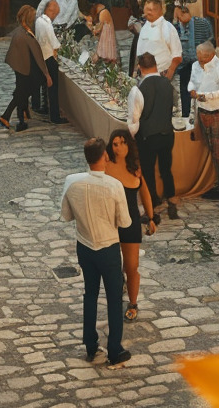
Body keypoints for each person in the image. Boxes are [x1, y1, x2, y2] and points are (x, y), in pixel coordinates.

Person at [60, 137, 133, 368]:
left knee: (90, 294)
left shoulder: (71, 182)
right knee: (114, 298)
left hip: (85, 246)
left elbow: (66, 215)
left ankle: (90, 344)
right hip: (108, 248)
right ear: (105, 157)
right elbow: (125, 221)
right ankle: (115, 349)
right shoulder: (114, 186)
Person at [105, 129, 155, 323]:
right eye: (115, 144)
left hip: (132, 221)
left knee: (132, 266)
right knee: (113, 265)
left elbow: (145, 193)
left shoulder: (135, 166)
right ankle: (120, 287)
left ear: (129, 144)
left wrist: (151, 217)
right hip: (110, 221)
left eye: (123, 143)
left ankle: (133, 303)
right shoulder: (106, 166)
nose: (119, 147)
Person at [127, 52, 180, 222]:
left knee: (148, 172)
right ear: (156, 65)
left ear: (140, 68)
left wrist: (133, 136)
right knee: (166, 169)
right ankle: (172, 202)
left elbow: (134, 119)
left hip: (148, 136)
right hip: (167, 133)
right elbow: (173, 106)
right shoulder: (168, 84)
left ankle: (153, 208)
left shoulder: (138, 90)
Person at [188, 40, 219, 210]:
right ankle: (218, 187)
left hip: (218, 115)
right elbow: (192, 81)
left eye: (202, 59)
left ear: (211, 56)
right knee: (211, 152)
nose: (199, 61)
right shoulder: (196, 65)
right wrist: (191, 90)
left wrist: (207, 96)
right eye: (198, 58)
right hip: (203, 113)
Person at [0, 5, 51, 132]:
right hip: (23, 68)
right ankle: (8, 117)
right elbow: (38, 55)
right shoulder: (26, 35)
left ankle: (23, 113)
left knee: (21, 91)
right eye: (33, 17)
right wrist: (47, 74)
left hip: (19, 66)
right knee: (21, 93)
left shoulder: (20, 30)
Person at [174, 3, 215, 116]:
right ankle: (186, 117)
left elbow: (211, 42)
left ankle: (203, 116)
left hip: (201, 65)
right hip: (185, 66)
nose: (179, 18)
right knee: (185, 92)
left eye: (181, 15)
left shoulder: (203, 23)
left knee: (202, 93)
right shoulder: (176, 28)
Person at [34, 0, 67, 123]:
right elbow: (55, 44)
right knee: (53, 88)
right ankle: (54, 116)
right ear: (51, 11)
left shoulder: (39, 20)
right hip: (48, 57)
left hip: (41, 56)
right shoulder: (47, 24)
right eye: (55, 14)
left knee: (45, 86)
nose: (55, 17)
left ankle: (44, 107)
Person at [134, 0, 182, 82]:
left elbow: (177, 57)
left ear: (160, 11)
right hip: (143, 75)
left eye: (151, 10)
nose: (147, 12)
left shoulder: (168, 28)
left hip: (162, 74)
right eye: (146, 9)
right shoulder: (145, 27)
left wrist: (167, 77)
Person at [87, 0, 118, 66]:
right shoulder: (103, 12)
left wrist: (90, 27)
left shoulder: (103, 13)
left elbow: (97, 31)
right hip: (104, 39)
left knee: (104, 60)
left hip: (106, 40)